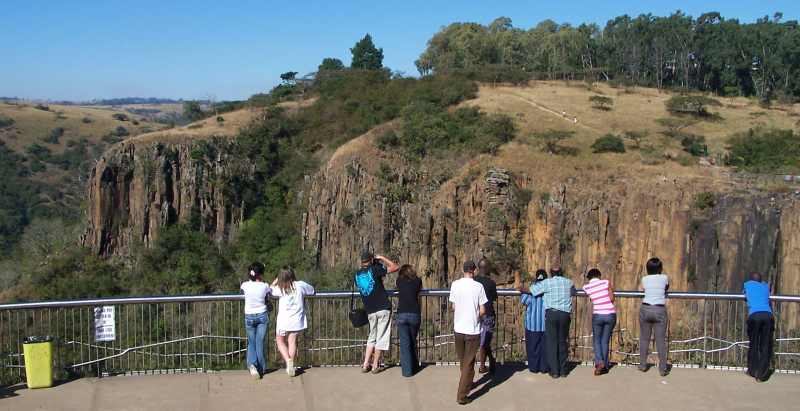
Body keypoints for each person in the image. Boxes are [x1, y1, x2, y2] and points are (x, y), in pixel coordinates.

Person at [449, 260, 487, 405]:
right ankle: (462, 395)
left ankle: (466, 382)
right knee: (469, 363)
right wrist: (476, 315)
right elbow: (482, 310)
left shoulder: (455, 285)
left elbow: (453, 306)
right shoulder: (479, 287)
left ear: (463, 270)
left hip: (458, 329)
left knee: (463, 361)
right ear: (474, 270)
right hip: (472, 329)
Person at [355, 250, 399, 374]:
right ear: (372, 260)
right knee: (381, 337)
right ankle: (375, 366)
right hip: (383, 307)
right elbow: (395, 267)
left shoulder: (357, 275)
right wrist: (382, 257)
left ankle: (365, 364)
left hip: (370, 310)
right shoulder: (374, 270)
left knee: (372, 337)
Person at [530, 266, 575, 378]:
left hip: (552, 314)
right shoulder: (568, 282)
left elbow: (532, 290)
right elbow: (573, 291)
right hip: (565, 314)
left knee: (552, 342)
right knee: (562, 341)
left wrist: (520, 288)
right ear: (561, 272)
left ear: (551, 273)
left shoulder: (547, 282)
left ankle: (554, 371)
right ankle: (563, 370)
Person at [271, 266, 315, 377]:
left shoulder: (280, 288)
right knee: (292, 342)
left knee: (280, 341)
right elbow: (312, 290)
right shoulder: (300, 285)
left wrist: (276, 281)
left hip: (283, 321)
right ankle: (290, 364)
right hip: (296, 320)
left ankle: (288, 360)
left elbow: (269, 289)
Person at [639, 257, 670, 376]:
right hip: (659, 309)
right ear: (660, 268)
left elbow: (642, 288)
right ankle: (662, 369)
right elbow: (666, 287)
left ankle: (642, 365)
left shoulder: (644, 279)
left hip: (645, 308)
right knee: (661, 340)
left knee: (644, 339)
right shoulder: (664, 278)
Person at [240, 262, 271, 379]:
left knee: (251, 342)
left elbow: (242, 292)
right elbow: (269, 291)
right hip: (262, 315)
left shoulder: (244, 285)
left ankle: (252, 365)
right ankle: (261, 368)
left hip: (249, 316)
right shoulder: (265, 286)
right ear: (261, 274)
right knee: (259, 342)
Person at [583, 268, 616, 376]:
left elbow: (592, 298)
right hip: (610, 314)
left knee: (596, 340)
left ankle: (599, 363)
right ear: (599, 275)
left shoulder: (586, 287)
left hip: (598, 315)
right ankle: (605, 366)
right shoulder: (606, 282)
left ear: (589, 278)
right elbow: (611, 298)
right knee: (604, 341)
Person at [517, 269, 549, 374]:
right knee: (544, 348)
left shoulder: (531, 289)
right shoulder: (549, 289)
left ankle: (534, 367)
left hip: (532, 324)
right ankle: (544, 367)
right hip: (545, 324)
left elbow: (523, 301)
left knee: (532, 347)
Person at [743, 272, 774, 382]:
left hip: (754, 315)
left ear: (751, 279)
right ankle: (761, 375)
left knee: (754, 343)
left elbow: (746, 297)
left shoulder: (747, 284)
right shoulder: (765, 286)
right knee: (765, 345)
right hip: (767, 315)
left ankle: (752, 370)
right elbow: (768, 290)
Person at [396, 264, 422, 377]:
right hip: (414, 314)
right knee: (412, 341)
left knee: (405, 344)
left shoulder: (399, 281)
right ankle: (415, 365)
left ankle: (407, 371)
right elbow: (419, 292)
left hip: (402, 314)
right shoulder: (418, 281)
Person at [474, 258, 498, 375]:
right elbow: (494, 298)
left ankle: (489, 362)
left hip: (476, 314)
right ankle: (483, 366)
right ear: (487, 268)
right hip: (488, 314)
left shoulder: (473, 281)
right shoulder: (491, 283)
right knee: (484, 342)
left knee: (482, 342)